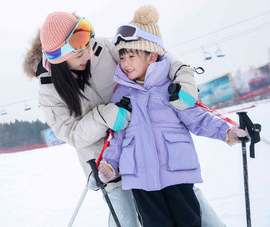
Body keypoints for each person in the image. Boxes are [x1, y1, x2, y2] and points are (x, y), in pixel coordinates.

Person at [23, 9, 226, 227]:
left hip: (145, 151)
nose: (88, 55)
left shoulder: (103, 47)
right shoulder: (49, 90)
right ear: (60, 60)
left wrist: (183, 74)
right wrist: (104, 117)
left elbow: (154, 52)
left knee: (193, 209)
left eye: (87, 47)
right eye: (79, 55)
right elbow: (72, 134)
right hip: (106, 165)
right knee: (126, 219)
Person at [97, 5, 247, 227]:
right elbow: (116, 136)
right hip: (140, 181)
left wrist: (226, 130)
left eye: (132, 55)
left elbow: (198, 118)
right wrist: (108, 164)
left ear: (152, 56)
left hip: (176, 174)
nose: (126, 63)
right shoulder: (121, 95)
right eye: (122, 56)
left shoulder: (170, 90)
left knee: (190, 222)